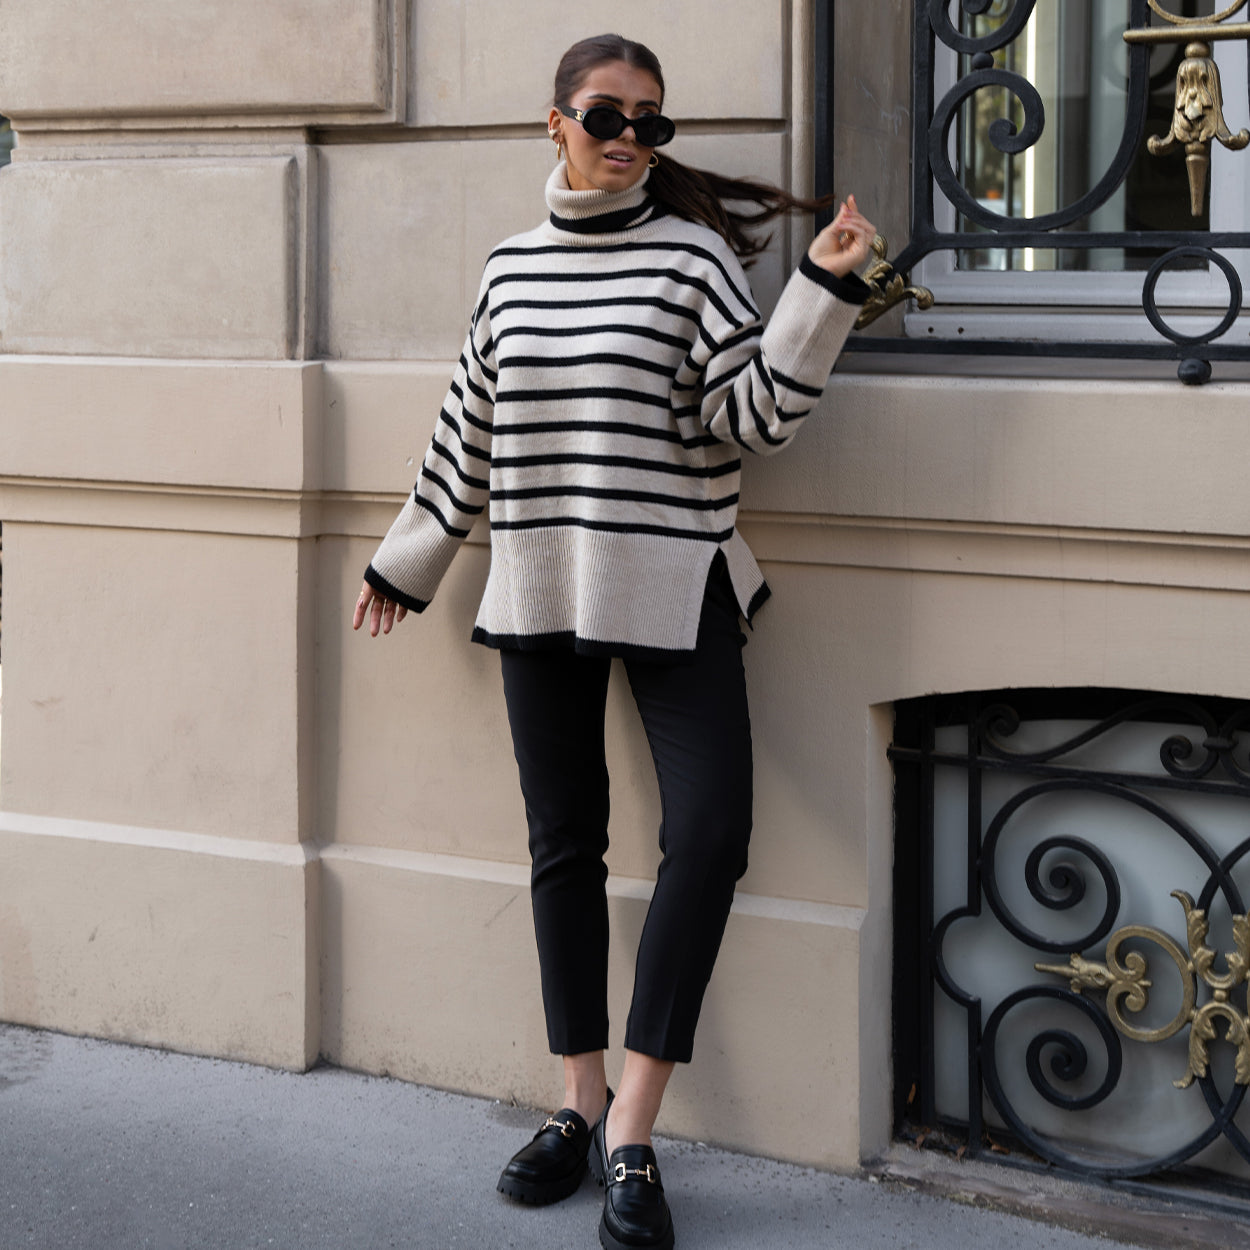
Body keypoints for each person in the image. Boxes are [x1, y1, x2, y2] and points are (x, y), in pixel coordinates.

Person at [352, 32, 874, 1250]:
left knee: (710, 832)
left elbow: (752, 419)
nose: (630, 137)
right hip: (539, 586)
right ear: (557, 123)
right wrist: (405, 562)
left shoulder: (691, 259)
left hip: (675, 582)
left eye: (651, 121)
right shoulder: (508, 271)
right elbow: (466, 431)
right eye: (606, 114)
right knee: (563, 845)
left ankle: (633, 1125)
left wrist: (819, 291)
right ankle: (575, 1102)